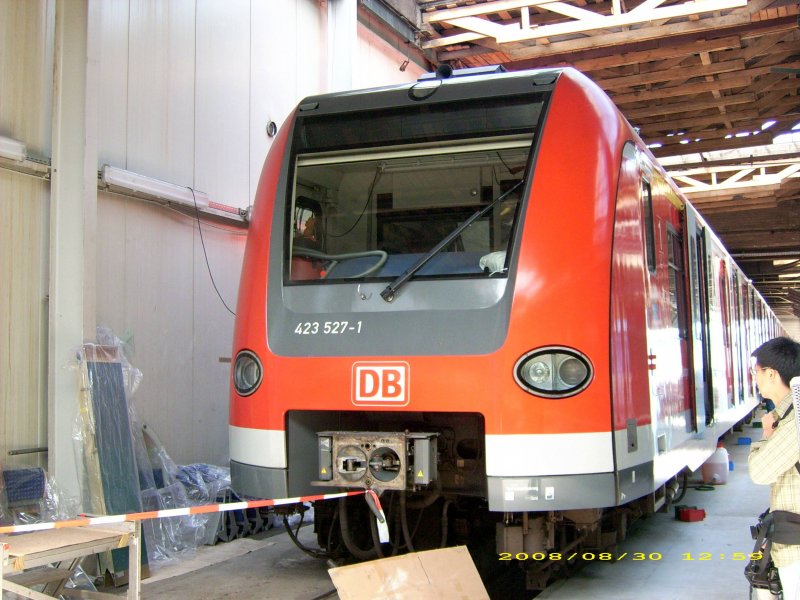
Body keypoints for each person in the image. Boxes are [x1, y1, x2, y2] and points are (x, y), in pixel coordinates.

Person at [748, 336, 800, 599]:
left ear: (771, 374)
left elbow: (760, 472)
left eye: (756, 372)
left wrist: (766, 434)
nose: (755, 379)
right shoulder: (790, 414)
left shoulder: (794, 423)